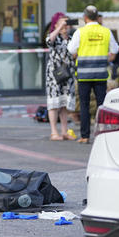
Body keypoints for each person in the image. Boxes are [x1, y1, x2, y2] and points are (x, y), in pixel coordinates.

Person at [67, 5, 118, 144]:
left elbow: (71, 49)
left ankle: (85, 136)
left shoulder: (80, 32)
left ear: (85, 17)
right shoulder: (106, 31)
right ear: (97, 17)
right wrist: (105, 58)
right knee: (102, 105)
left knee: (84, 105)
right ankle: (102, 135)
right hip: (101, 74)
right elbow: (115, 50)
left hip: (84, 74)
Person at [44, 13, 76, 141]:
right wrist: (58, 28)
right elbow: (49, 40)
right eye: (62, 23)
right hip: (54, 74)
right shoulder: (54, 37)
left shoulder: (71, 38)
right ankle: (53, 132)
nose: (65, 26)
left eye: (66, 23)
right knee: (54, 103)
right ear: (56, 24)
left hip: (68, 73)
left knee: (64, 103)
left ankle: (64, 131)